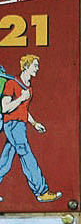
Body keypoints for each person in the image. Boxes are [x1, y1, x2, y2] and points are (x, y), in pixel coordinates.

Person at [0, 55, 60, 203]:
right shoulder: (11, 84)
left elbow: (23, 111)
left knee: (5, 161)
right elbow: (5, 108)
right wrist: (20, 98)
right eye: (35, 65)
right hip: (12, 125)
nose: (37, 68)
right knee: (27, 156)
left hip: (20, 124)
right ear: (26, 66)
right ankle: (41, 191)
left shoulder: (28, 87)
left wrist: (34, 124)